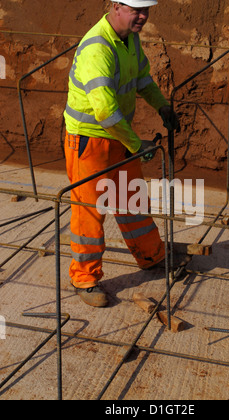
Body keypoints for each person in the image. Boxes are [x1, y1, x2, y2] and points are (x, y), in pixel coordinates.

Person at [63, 0, 179, 308]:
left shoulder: (130, 39)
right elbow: (105, 112)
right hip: (89, 141)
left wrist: (162, 105)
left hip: (117, 135)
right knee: (89, 210)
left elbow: (142, 80)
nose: (143, 17)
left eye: (146, 10)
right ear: (115, 6)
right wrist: (136, 145)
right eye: (136, 10)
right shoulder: (97, 48)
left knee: (131, 199)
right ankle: (85, 279)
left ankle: (151, 256)